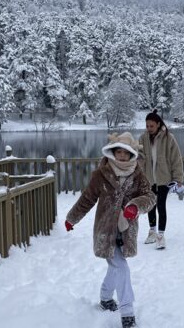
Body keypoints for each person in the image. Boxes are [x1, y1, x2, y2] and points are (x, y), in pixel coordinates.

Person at [65, 132, 156, 328]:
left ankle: (106, 298)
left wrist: (135, 206)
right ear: (112, 152)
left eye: (126, 153)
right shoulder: (100, 175)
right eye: (119, 152)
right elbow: (87, 199)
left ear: (132, 155)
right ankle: (127, 313)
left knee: (116, 266)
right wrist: (72, 219)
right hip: (105, 232)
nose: (122, 156)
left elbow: (150, 196)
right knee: (121, 267)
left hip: (126, 231)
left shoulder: (138, 174)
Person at [139, 109, 184, 250]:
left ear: (158, 124)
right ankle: (152, 231)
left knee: (160, 205)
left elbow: (176, 159)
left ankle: (160, 235)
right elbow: (138, 157)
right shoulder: (143, 138)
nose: (149, 129)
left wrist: (178, 178)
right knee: (150, 206)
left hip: (164, 178)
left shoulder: (168, 138)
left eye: (151, 126)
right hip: (148, 178)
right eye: (147, 126)